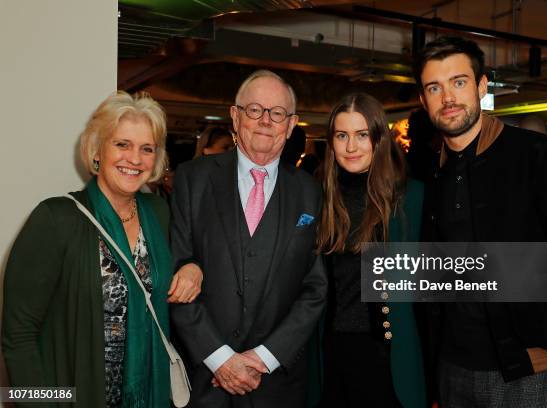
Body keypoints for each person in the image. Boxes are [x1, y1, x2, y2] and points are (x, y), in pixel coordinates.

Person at [414, 36, 547, 408]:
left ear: (482, 87)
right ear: (423, 100)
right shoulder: (429, 174)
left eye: (459, 82)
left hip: (528, 375)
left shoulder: (538, 158)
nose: (448, 97)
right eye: (434, 87)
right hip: (452, 369)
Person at [2, 91, 201, 407]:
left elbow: (182, 262)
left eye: (146, 148)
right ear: (96, 151)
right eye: (122, 144)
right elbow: (17, 335)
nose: (134, 159)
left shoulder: (159, 212)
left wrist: (192, 267)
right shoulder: (55, 218)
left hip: (151, 394)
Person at [170, 70, 328, 408]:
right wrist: (220, 358)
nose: (265, 121)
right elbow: (174, 270)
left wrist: (265, 357)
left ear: (291, 124)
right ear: (235, 115)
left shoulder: (311, 193)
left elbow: (315, 289)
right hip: (205, 381)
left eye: (277, 113)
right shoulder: (192, 180)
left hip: (277, 385)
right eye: (255, 109)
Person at [315, 92, 426, 408]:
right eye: (342, 135)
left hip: (390, 361)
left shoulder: (411, 197)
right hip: (332, 359)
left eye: (362, 135)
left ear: (379, 139)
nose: (351, 147)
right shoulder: (320, 199)